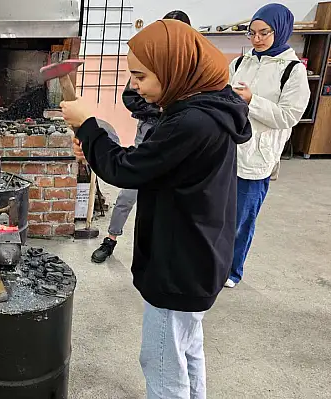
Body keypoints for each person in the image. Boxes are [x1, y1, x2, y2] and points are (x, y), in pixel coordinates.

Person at [61, 20, 251, 398]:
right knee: (186, 348)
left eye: (140, 75)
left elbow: (126, 169)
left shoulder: (193, 121)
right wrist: (94, 141)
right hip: (200, 253)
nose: (134, 85)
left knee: (162, 361)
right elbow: (150, 163)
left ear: (173, 69)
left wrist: (88, 126)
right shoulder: (204, 108)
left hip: (180, 262)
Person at [91, 9, 191, 263]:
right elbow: (130, 97)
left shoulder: (193, 71)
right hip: (148, 133)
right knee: (128, 192)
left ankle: (165, 253)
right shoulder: (148, 62)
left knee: (169, 199)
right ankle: (110, 239)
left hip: (178, 139)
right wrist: (157, 108)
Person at [225, 3, 310, 288]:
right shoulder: (240, 64)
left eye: (264, 32)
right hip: (227, 152)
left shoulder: (292, 71)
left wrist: (252, 102)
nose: (257, 39)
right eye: (252, 33)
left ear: (281, 30)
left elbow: (289, 116)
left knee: (241, 219)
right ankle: (213, 263)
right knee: (218, 214)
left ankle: (232, 271)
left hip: (258, 156)